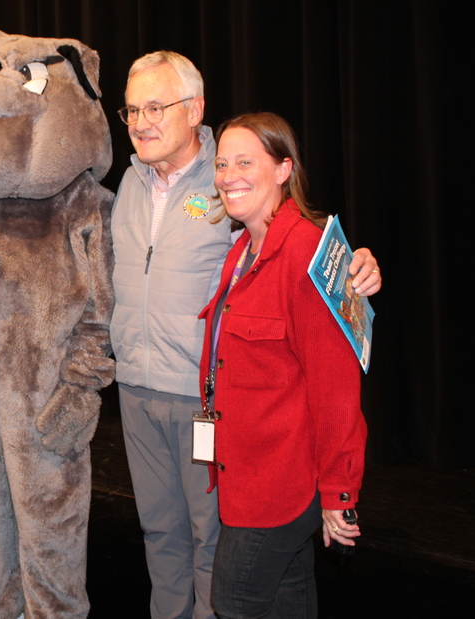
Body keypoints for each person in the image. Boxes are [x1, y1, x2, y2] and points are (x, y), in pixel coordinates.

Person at [109, 52, 381, 619]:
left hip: (212, 409)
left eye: (155, 107)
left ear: (194, 110)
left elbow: (313, 287)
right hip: (138, 390)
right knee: (163, 535)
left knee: (221, 558)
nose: (140, 121)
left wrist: (354, 266)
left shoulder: (233, 189)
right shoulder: (130, 185)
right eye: (131, 110)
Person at [199, 112, 368, 618]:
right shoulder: (243, 250)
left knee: (232, 602)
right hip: (245, 472)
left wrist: (339, 491)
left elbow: (336, 387)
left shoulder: (305, 253)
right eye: (222, 164)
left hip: (278, 486)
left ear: (282, 169)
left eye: (245, 162)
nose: (229, 176)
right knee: (289, 597)